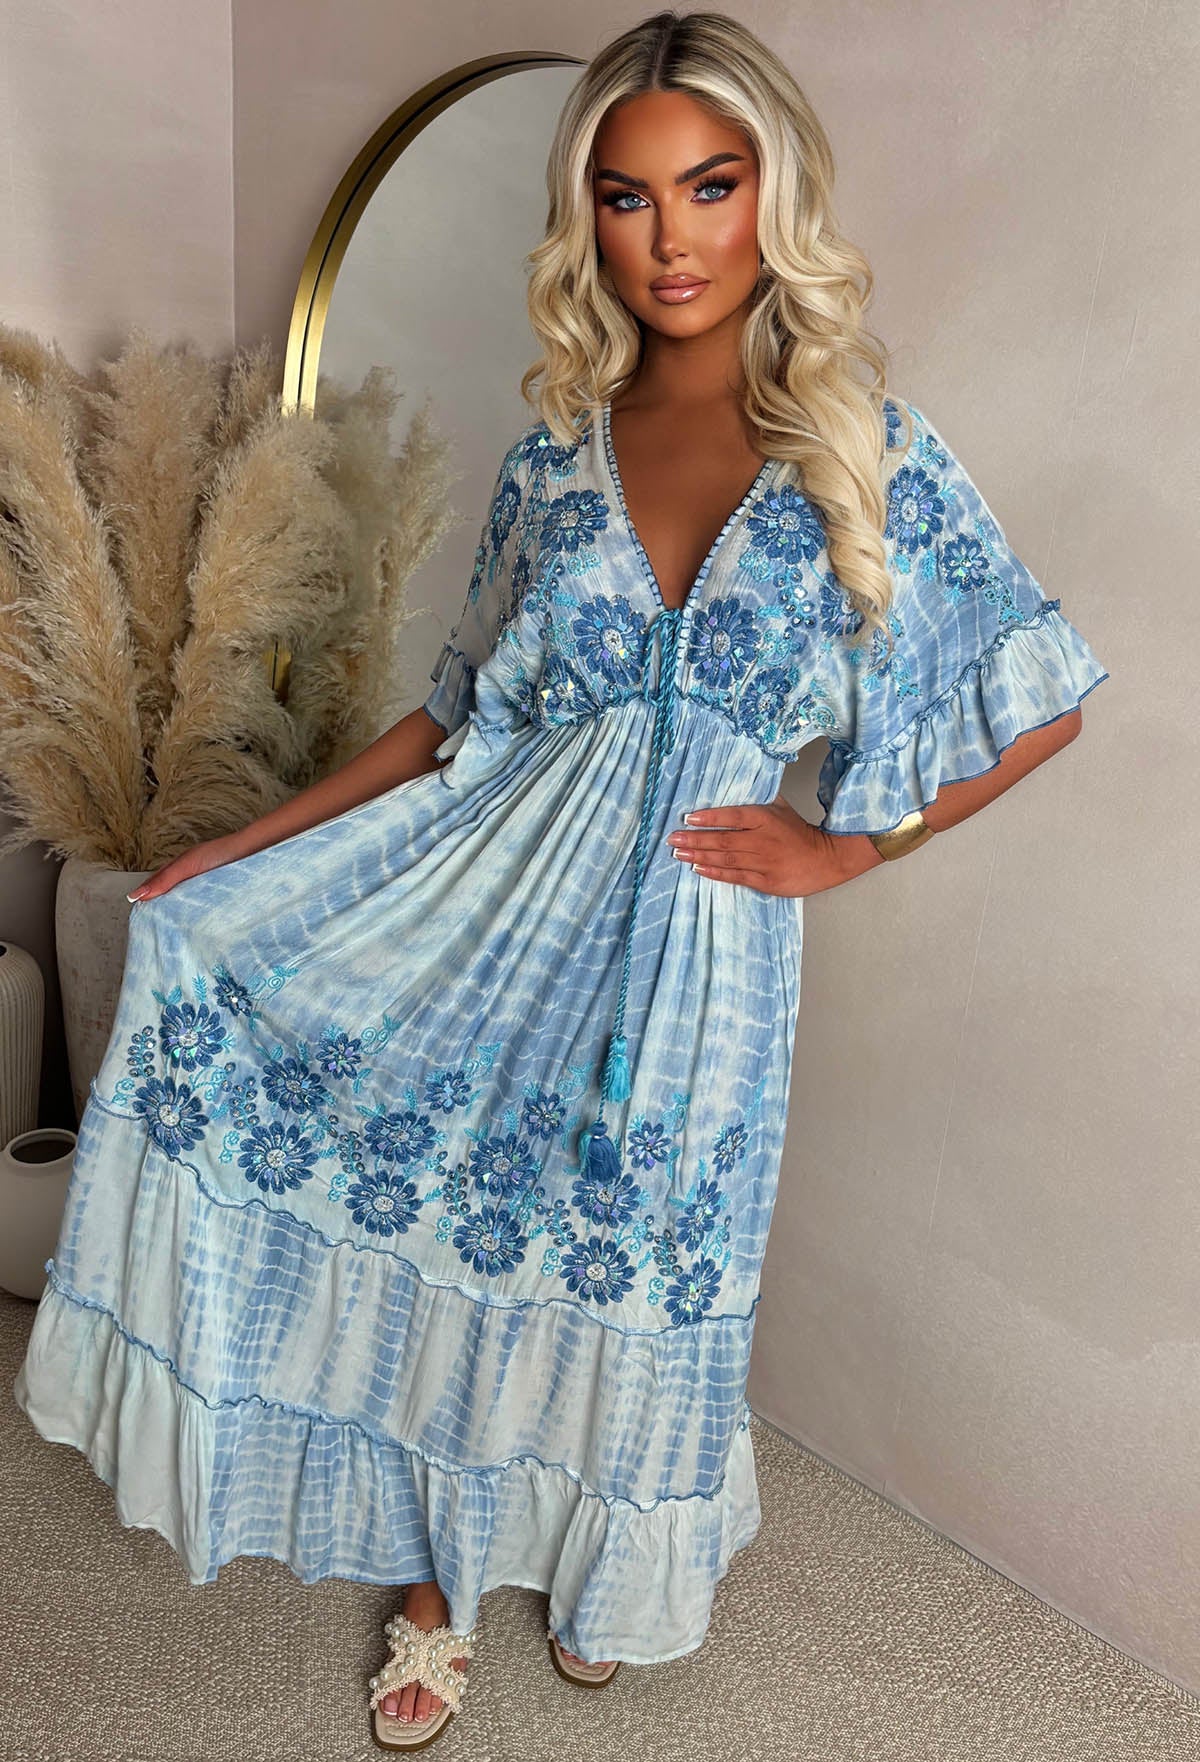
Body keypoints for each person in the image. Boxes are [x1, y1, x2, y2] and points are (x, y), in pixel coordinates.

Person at [13, 9, 1109, 1752]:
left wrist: (845, 844)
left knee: (634, 1261)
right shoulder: (554, 455)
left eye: (711, 186)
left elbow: (1035, 698)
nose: (669, 237)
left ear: (774, 197)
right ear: (585, 216)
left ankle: (602, 1560)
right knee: (473, 1215)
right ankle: (435, 1576)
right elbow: (453, 713)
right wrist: (242, 848)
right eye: (626, 194)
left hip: (702, 937)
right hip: (499, 901)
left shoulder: (867, 450)